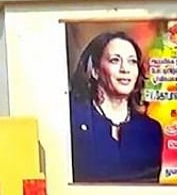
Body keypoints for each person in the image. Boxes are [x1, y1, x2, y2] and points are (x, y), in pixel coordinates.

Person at [68, 31, 163, 183]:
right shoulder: (73, 122)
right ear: (95, 71)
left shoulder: (150, 130)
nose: (125, 69)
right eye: (115, 60)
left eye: (132, 61)